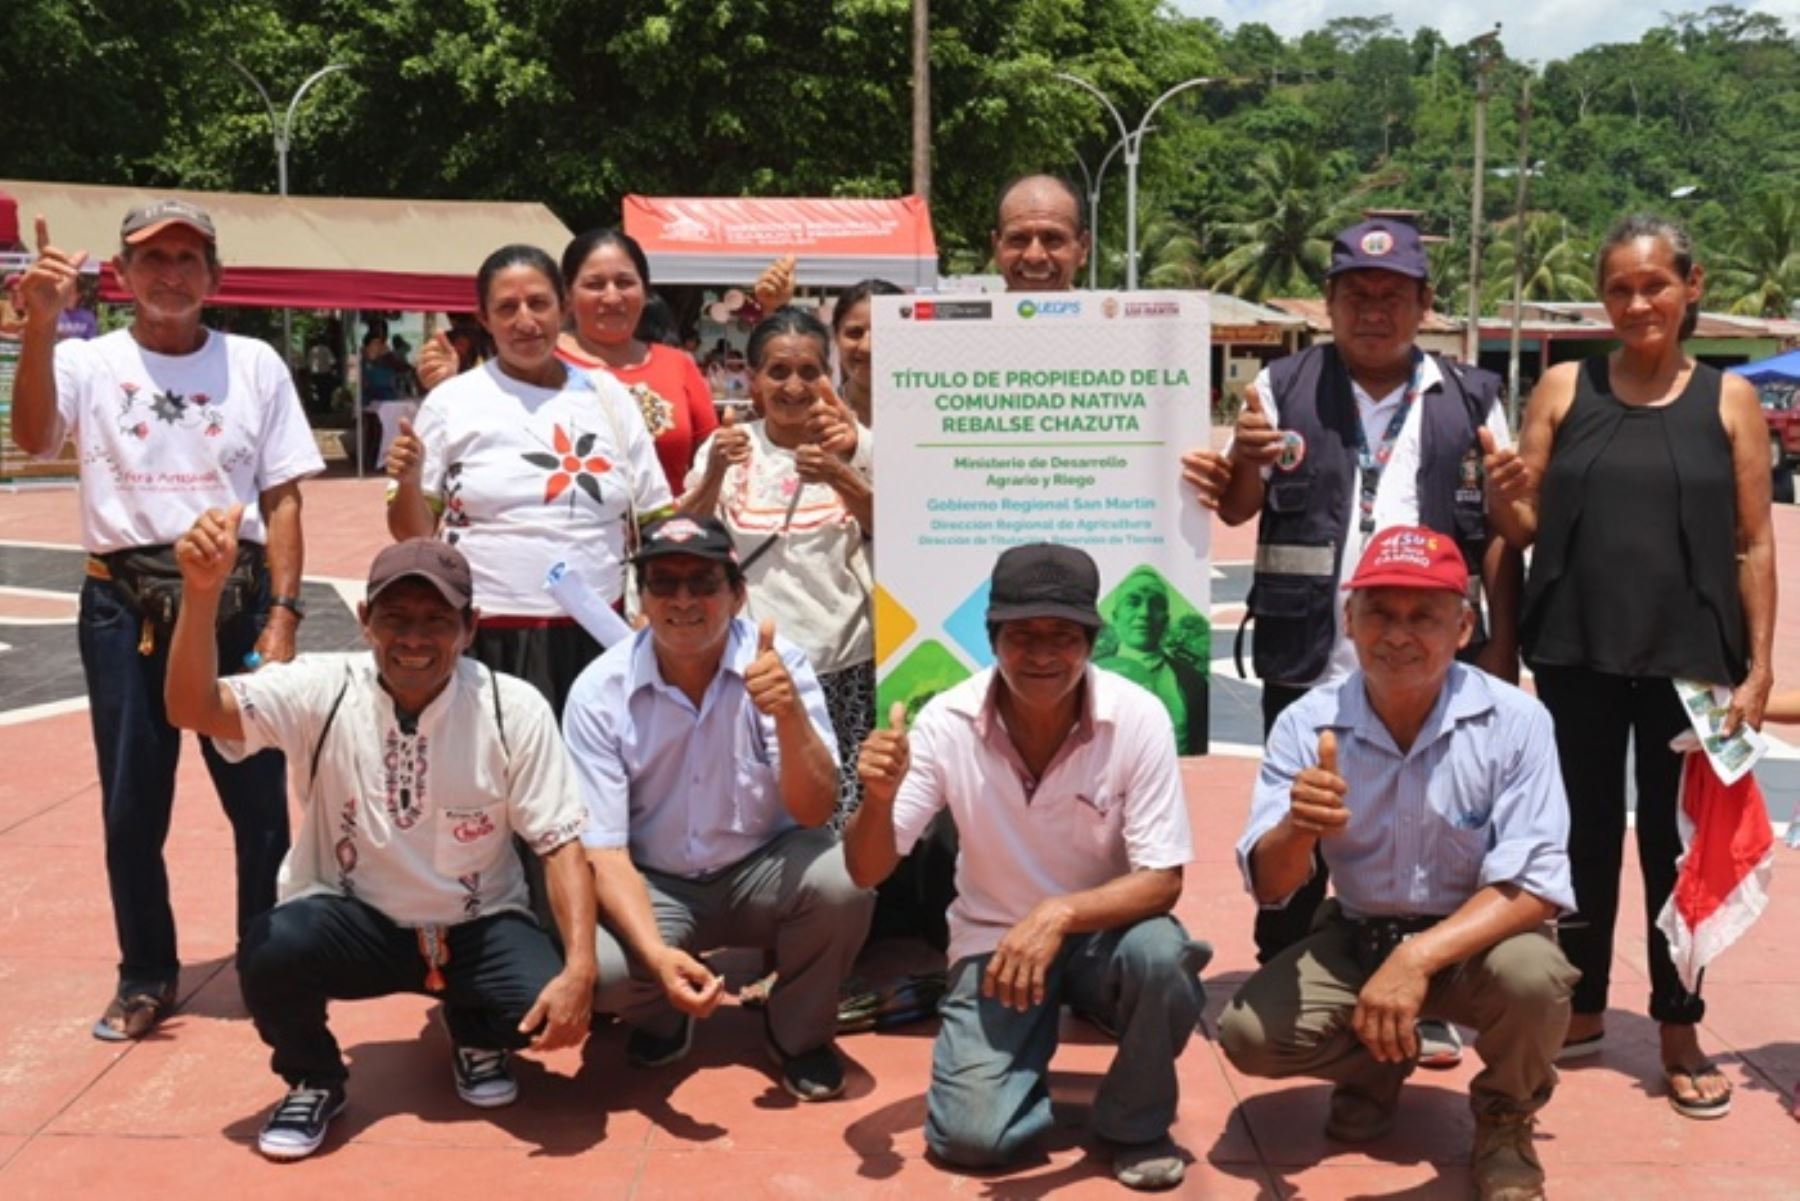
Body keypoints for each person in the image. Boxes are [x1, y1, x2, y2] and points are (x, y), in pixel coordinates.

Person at [1181, 218, 1521, 1067]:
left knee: (1430, 834)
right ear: (1328, 302)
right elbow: (1235, 510)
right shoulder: (1280, 387)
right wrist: (1242, 462)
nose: (1375, 311)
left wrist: (1502, 653)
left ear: (1425, 305)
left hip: (1432, 669)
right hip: (1309, 661)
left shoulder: (1475, 398)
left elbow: (1507, 533)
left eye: (1394, 296)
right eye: (1357, 295)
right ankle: (1289, 974)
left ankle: (1426, 988)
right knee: (1300, 823)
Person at [163, 527, 596, 1160]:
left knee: (543, 1002)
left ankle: (475, 1029)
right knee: (272, 947)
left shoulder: (513, 707)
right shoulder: (322, 687)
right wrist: (200, 596)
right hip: (356, 923)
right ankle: (314, 1078)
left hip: (476, 924)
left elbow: (560, 843)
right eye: (395, 618)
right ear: (366, 621)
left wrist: (581, 968)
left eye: (436, 620)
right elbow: (191, 708)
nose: (414, 639)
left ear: (469, 627)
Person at [9, 201, 322, 1042]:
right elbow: (34, 436)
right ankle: (146, 969)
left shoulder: (253, 363)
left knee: (259, 802)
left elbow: (283, 494)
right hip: (124, 602)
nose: (171, 273)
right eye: (153, 258)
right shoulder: (86, 360)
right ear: (121, 275)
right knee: (131, 801)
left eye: (189, 258)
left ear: (215, 277)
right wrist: (39, 328)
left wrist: (284, 614)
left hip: (237, 601)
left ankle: (267, 957)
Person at [1487, 214, 1776, 1120]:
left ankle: (1679, 1022)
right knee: (1572, 840)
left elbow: (1754, 544)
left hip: (1692, 660)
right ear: (1603, 299)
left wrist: (1761, 667)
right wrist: (1503, 505)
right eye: (1620, 287)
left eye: (1655, 283)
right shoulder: (1565, 387)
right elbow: (1524, 528)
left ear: (1693, 286)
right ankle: (1576, 1007)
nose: (1638, 300)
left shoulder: (1728, 401)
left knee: (1674, 848)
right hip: (1574, 647)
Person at [1219, 526, 1578, 1201]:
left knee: (1535, 976)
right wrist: (1298, 827)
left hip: (1481, 943)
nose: (1398, 635)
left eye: (1424, 617)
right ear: (1348, 619)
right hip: (1361, 933)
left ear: (1464, 623)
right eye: (1379, 612)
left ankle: (1505, 1116)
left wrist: (1414, 962)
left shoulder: (1515, 720)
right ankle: (1375, 1065)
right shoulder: (1307, 723)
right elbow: (1269, 884)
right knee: (1247, 1033)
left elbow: (1534, 888)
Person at [843, 543, 1207, 1191]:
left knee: (1163, 955)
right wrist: (875, 800)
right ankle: (1015, 1063)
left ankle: (1136, 1120)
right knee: (971, 1139)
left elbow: (1163, 879)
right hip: (995, 941)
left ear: (1092, 640)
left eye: (1063, 635)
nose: (1042, 653)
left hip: (1106, 936)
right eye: (1023, 635)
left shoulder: (1139, 716)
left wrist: (1058, 913)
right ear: (992, 638)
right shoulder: (944, 722)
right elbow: (868, 869)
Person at [563, 515, 872, 1099]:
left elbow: (815, 811)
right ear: (641, 598)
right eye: (663, 583)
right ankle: (664, 1012)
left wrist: (788, 714)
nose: (684, 600)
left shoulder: (785, 666)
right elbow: (602, 848)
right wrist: (654, 955)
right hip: (654, 881)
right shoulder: (598, 690)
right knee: (603, 974)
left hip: (764, 865)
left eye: (704, 582)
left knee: (844, 881)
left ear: (737, 594)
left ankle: (798, 1033)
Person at [386, 244, 673, 717]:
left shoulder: (608, 397)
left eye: (538, 303)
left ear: (562, 306)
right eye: (506, 307)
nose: (525, 321)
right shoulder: (451, 403)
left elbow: (656, 516)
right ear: (483, 317)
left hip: (597, 638)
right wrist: (411, 481)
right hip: (487, 638)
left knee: (589, 783)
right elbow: (411, 533)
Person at [684, 307, 874, 819]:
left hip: (844, 662)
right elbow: (686, 538)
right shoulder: (727, 448)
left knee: (841, 814)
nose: (794, 385)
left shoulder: (859, 448)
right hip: (755, 672)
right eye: (778, 371)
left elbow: (898, 533)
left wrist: (843, 475)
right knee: (758, 810)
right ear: (754, 381)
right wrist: (716, 472)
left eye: (810, 371)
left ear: (828, 377)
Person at [1093, 566, 1209, 754]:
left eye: (1155, 604)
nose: (1145, 613)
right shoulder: (1091, 675)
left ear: (1166, 619)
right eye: (1133, 602)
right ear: (1115, 617)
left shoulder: (1194, 682)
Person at [992, 174, 1090, 293]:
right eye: (1018, 239)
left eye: (1053, 239)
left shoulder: (1098, 311)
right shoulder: (969, 311)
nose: (1034, 256)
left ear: (1083, 248)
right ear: (996, 248)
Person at [831, 278, 902, 427]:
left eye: (883, 334)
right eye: (855, 333)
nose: (866, 347)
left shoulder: (933, 415)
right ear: (836, 337)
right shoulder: (816, 416)